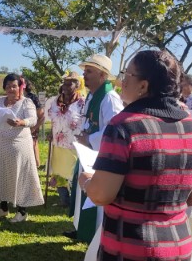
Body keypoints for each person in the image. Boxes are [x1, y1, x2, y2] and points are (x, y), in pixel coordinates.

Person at [78, 50, 192, 260]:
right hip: (178, 247)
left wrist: (87, 182)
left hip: (128, 248)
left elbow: (101, 194)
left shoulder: (123, 126)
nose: (122, 81)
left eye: (127, 75)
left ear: (143, 85)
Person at [67, 54, 123, 242]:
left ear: (102, 75)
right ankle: (82, 230)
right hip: (88, 153)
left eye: (89, 71)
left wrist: (89, 138)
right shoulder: (92, 95)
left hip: (100, 157)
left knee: (94, 194)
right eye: (84, 71)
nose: (84, 75)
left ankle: (96, 236)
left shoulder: (110, 98)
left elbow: (114, 130)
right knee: (83, 190)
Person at [0, 73, 44, 222]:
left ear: (20, 87)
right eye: (8, 86)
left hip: (19, 145)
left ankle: (22, 211)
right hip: (1, 143)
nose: (11, 89)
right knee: (2, 175)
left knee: (20, 176)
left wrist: (21, 122)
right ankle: (3, 208)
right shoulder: (0, 101)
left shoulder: (26, 102)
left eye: (14, 86)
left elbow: (33, 119)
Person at [47, 72, 85, 207]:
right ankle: (64, 200)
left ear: (77, 85)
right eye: (65, 83)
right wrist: (51, 133)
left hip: (74, 144)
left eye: (70, 84)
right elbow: (52, 119)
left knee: (72, 172)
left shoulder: (82, 102)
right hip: (58, 142)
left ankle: (75, 200)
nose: (66, 86)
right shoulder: (55, 101)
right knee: (58, 171)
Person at [23, 78, 45, 167]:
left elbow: (41, 116)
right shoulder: (14, 97)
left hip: (32, 126)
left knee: (33, 145)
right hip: (21, 126)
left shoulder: (32, 97)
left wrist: (34, 128)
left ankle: (36, 165)